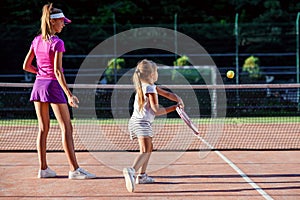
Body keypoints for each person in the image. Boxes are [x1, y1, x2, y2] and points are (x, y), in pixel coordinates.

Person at [23, 3, 96, 179]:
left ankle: (43, 169)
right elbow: (57, 71)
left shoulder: (36, 40)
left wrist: (40, 73)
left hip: (39, 85)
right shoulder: (57, 42)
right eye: (62, 22)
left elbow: (26, 66)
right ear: (53, 22)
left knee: (43, 129)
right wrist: (69, 95)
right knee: (67, 128)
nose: (63, 24)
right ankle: (74, 170)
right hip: (52, 86)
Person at [123, 59, 184, 192]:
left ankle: (142, 176)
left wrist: (178, 99)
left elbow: (167, 94)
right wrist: (173, 108)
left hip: (136, 122)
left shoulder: (145, 86)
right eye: (156, 71)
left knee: (148, 149)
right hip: (142, 123)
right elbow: (156, 111)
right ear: (151, 74)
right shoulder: (150, 88)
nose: (157, 73)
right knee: (145, 151)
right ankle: (131, 171)